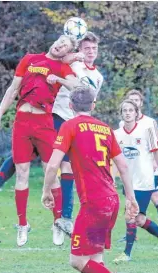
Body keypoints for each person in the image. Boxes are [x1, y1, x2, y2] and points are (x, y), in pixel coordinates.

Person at [0, 32, 103, 246]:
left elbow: (78, 88)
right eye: (60, 42)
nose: (60, 46)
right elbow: (12, 89)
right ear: (54, 42)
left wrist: (60, 79)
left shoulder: (66, 68)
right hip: (23, 120)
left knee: (53, 170)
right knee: (21, 171)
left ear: (68, 52)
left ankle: (58, 221)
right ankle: (21, 223)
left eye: (66, 46)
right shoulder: (29, 59)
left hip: (48, 121)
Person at [42, 87, 142, 273]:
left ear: (70, 107)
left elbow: (52, 165)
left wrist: (47, 191)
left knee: (77, 260)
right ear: (93, 106)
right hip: (111, 199)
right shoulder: (105, 128)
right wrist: (131, 198)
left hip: (94, 202)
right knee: (95, 259)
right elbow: (123, 166)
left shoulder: (69, 126)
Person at [51, 32, 104, 244]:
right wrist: (73, 57)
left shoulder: (98, 76)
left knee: (71, 168)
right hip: (58, 116)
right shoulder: (72, 64)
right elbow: (57, 61)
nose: (90, 52)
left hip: (78, 123)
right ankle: (60, 216)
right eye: (87, 49)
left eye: (94, 49)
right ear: (80, 50)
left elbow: (92, 101)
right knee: (52, 164)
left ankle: (65, 217)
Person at [113, 100, 158, 263]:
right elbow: (115, 158)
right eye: (125, 110)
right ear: (121, 114)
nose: (128, 113)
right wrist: (113, 176)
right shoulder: (116, 134)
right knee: (138, 219)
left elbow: (156, 151)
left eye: (131, 110)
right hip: (128, 181)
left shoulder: (147, 129)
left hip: (144, 180)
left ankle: (126, 254)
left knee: (131, 215)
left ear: (137, 113)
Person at [117, 89, 158, 243]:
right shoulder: (123, 123)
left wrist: (156, 163)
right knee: (130, 200)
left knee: (156, 198)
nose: (134, 103)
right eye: (130, 100)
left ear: (140, 103)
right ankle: (131, 234)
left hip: (148, 170)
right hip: (132, 171)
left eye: (136, 100)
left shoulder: (149, 122)